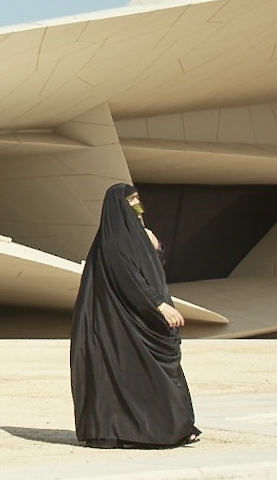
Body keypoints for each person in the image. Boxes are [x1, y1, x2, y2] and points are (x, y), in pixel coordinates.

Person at [71, 183, 200, 447]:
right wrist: (158, 306)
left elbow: (150, 271)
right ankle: (142, 431)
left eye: (138, 201)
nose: (137, 207)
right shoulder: (114, 241)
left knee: (155, 373)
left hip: (138, 320)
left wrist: (155, 246)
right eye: (132, 202)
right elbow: (129, 279)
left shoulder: (136, 237)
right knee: (135, 374)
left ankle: (174, 427)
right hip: (121, 324)